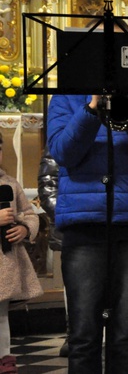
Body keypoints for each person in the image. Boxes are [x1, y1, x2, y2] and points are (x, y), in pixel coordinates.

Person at [47, 89, 128, 373]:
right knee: (83, 335)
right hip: (84, 226)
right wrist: (91, 109)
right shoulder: (65, 98)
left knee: (125, 335)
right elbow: (64, 152)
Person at [0, 134, 44, 374]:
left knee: (1, 314)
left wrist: (25, 228)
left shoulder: (9, 183)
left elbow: (28, 213)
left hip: (5, 261)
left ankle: (5, 358)